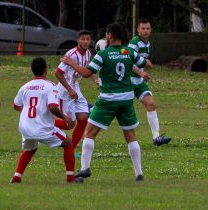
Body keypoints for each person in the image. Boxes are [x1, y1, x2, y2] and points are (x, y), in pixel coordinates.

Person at [61, 23, 153, 181]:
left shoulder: (103, 54)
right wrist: (137, 63)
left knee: (89, 133)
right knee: (130, 135)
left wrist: (72, 63)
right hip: (126, 99)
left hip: (108, 100)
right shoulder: (128, 51)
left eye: (106, 34)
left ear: (110, 35)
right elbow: (147, 65)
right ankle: (139, 173)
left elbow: (86, 73)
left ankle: (84, 169)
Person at [10, 57, 82, 184]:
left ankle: (17, 176)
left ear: (32, 70)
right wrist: (65, 117)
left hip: (26, 127)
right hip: (42, 128)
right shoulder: (50, 86)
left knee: (30, 148)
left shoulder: (25, 87)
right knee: (68, 143)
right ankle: (71, 178)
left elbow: (16, 106)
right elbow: (52, 107)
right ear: (45, 70)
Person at [128, 19, 171, 146]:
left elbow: (142, 60)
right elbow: (127, 61)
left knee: (151, 104)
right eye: (143, 28)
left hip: (139, 81)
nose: (145, 31)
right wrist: (141, 72)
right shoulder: (134, 43)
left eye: (148, 28)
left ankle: (157, 138)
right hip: (128, 81)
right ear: (138, 30)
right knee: (118, 109)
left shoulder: (146, 43)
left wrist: (145, 65)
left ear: (151, 30)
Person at [54, 30, 98, 149]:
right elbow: (57, 73)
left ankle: (71, 147)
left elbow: (86, 68)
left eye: (88, 39)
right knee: (69, 125)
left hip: (76, 88)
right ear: (78, 40)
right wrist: (69, 90)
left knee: (83, 118)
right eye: (83, 39)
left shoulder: (88, 53)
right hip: (65, 91)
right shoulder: (71, 54)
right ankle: (44, 122)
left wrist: (95, 78)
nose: (85, 41)